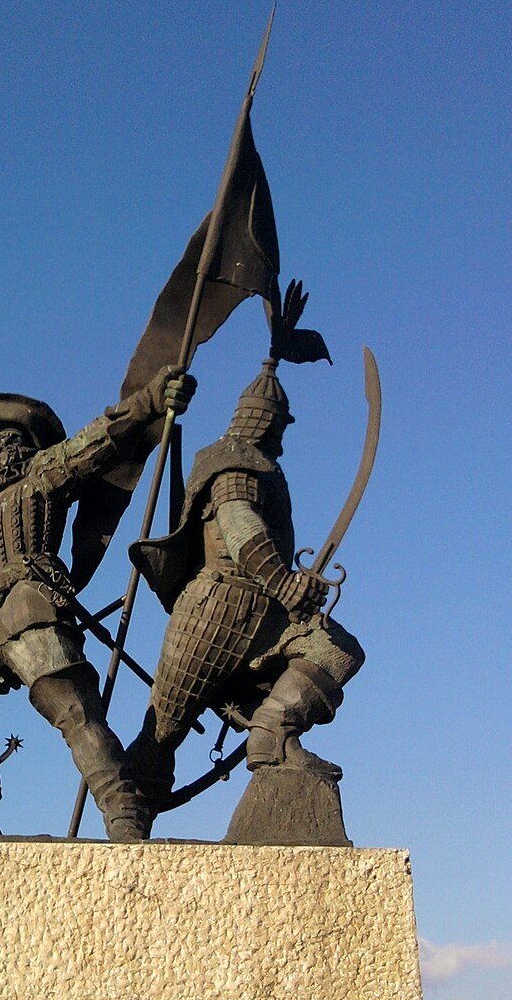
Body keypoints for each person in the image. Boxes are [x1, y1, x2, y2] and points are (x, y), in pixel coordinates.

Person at [0, 365, 195, 842]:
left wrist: (149, 401)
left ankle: (123, 807)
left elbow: (98, 441)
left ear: (29, 445)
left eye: (9, 438)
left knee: (75, 715)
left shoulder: (46, 474)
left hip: (32, 611)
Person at [125, 354, 364, 826]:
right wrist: (284, 582)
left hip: (265, 614)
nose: (280, 436)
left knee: (336, 650)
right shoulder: (235, 463)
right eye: (278, 425)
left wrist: (291, 591)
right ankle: (128, 811)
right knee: (163, 732)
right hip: (215, 611)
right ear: (264, 421)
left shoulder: (262, 467)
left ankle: (272, 732)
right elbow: (240, 526)